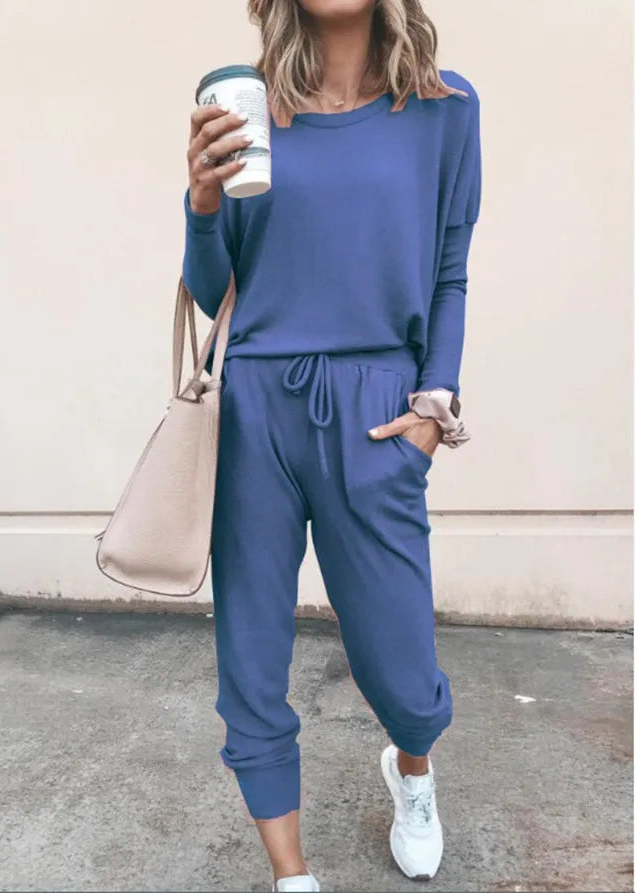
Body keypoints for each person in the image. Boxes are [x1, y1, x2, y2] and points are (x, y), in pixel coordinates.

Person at [182, 1, 481, 890]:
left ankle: (414, 766)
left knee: (399, 661)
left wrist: (432, 408)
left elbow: (451, 266)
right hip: (257, 406)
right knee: (251, 654)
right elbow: (210, 291)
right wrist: (201, 205)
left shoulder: (444, 108)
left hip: (377, 409)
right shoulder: (237, 98)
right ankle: (291, 876)